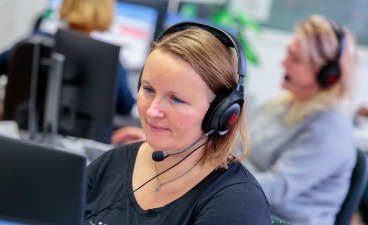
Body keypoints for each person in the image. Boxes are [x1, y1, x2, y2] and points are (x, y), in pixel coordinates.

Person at [84, 21, 271, 225]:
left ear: (222, 112)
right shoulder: (113, 164)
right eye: (148, 89)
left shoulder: (237, 203)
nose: (152, 111)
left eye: (176, 99)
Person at [242, 15, 358, 225]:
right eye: (288, 53)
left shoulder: (329, 128)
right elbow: (240, 145)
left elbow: (278, 186)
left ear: (327, 75)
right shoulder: (284, 103)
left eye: (295, 59)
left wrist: (217, 183)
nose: (283, 62)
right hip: (251, 207)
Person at [0, 0, 135, 118]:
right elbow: (126, 106)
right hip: (78, 145)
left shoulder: (33, 41)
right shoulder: (110, 60)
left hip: (19, 138)